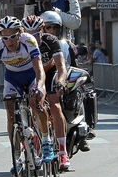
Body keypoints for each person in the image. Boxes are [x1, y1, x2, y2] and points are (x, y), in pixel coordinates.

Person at [0, 16, 54, 174]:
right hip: (12, 78)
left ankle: (46, 141)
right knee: (10, 113)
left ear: (20, 33)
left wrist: (40, 87)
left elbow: (39, 70)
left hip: (31, 75)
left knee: (37, 104)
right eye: (5, 38)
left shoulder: (29, 41)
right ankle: (16, 155)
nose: (10, 41)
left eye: (13, 37)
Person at [21, 14, 70, 169]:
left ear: (41, 31)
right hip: (33, 75)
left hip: (50, 72)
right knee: (29, 107)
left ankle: (63, 152)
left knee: (55, 105)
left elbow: (61, 67)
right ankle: (32, 147)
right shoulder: (21, 43)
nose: (32, 38)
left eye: (35, 34)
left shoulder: (50, 41)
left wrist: (61, 82)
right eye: (28, 34)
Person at [40, 11, 93, 151]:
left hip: (66, 79)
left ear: (60, 29)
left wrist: (72, 79)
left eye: (55, 27)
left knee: (84, 93)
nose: (52, 31)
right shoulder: (38, 44)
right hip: (45, 80)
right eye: (48, 27)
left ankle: (85, 131)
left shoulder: (67, 44)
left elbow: (75, 64)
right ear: (43, 28)